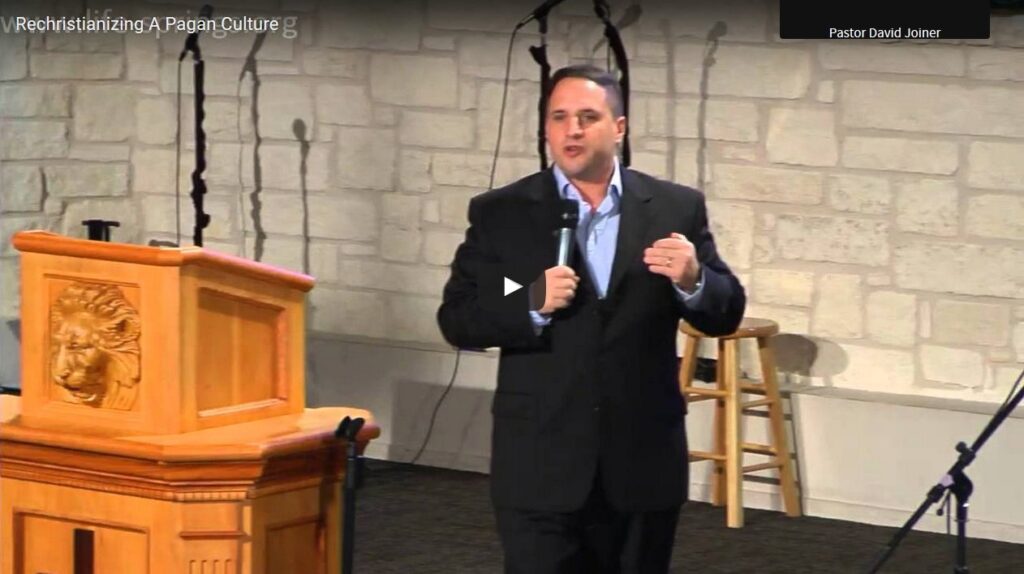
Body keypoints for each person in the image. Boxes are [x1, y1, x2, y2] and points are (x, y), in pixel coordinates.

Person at [436, 65, 746, 574]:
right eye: (558, 118)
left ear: (619, 127)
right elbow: (458, 318)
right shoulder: (502, 212)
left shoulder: (674, 207)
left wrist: (694, 279)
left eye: (587, 117)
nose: (571, 130)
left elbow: (726, 312)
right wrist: (530, 301)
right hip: (540, 464)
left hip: (642, 463)